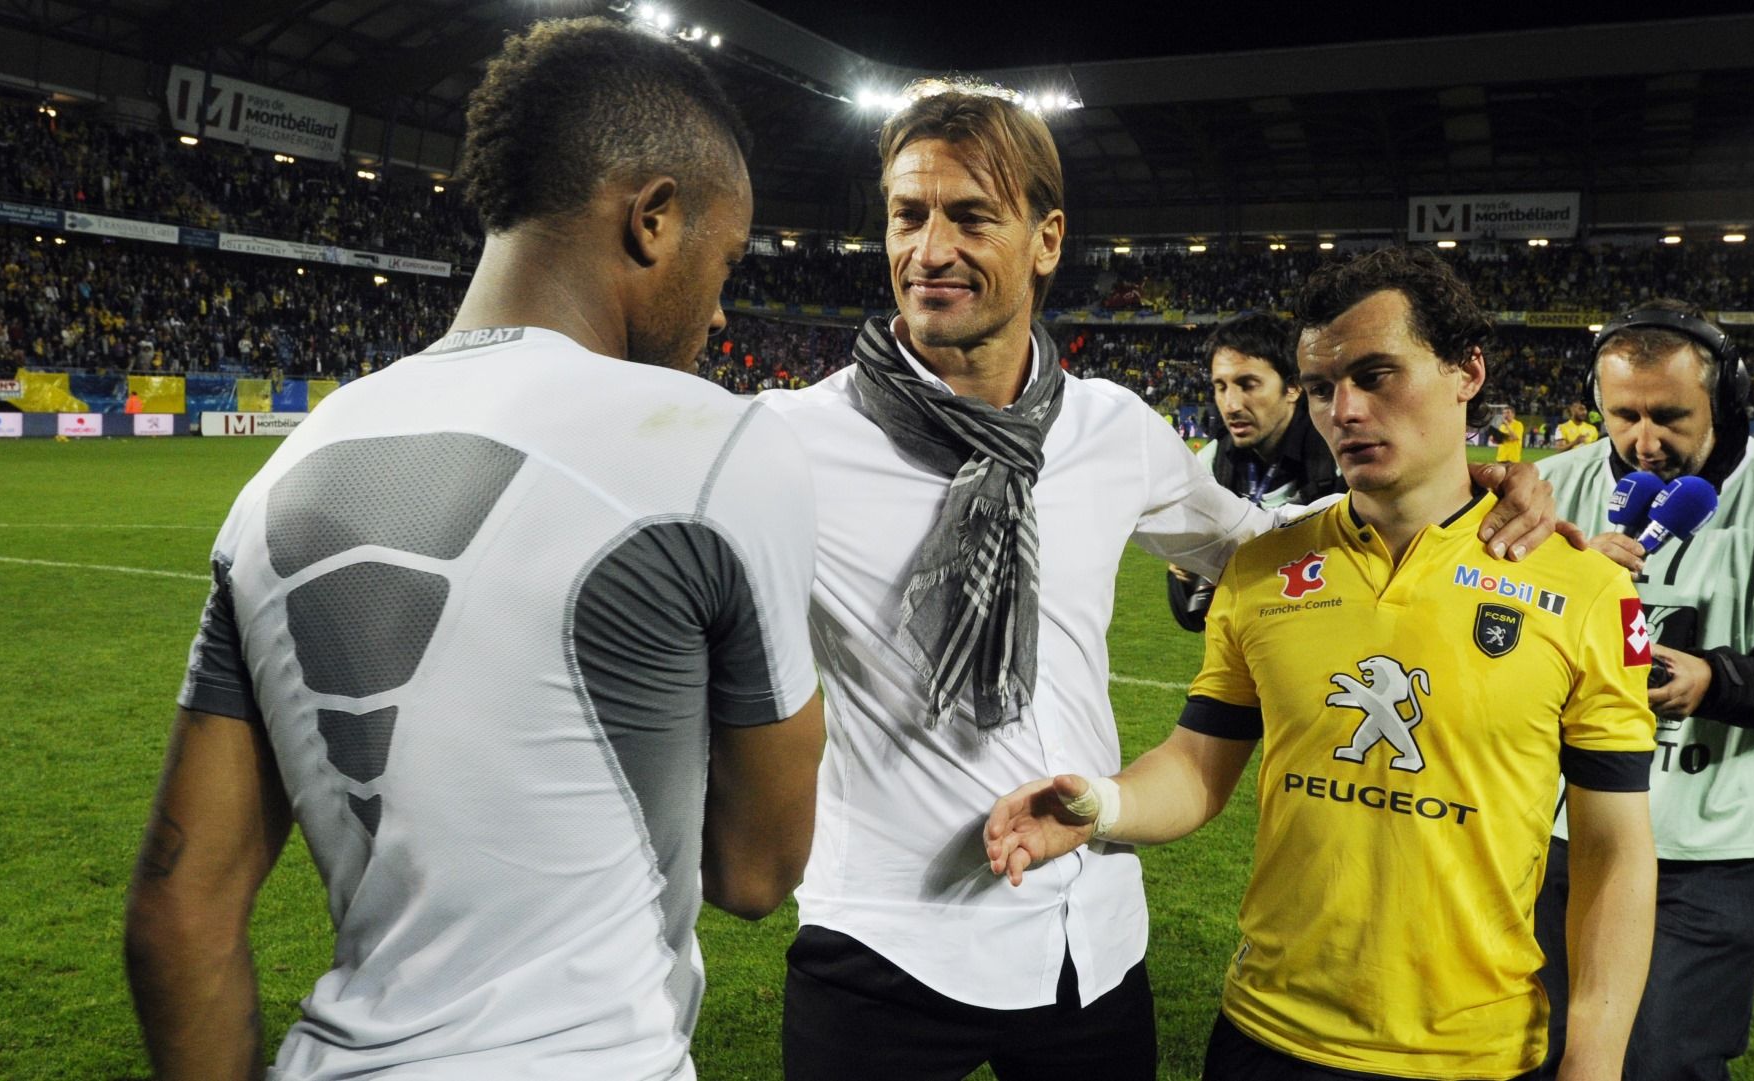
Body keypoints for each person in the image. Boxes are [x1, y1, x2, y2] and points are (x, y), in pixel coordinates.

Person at [760, 86, 1564, 1081]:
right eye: (907, 215)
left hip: (1084, 939)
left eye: (970, 216)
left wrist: (1457, 496)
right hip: (885, 935)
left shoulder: (1110, 428)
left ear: (1046, 238)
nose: (929, 250)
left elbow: (1262, 549)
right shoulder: (790, 443)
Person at [123, 19, 824, 1081]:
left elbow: (180, 912)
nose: (722, 309)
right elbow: (756, 870)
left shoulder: (281, 478)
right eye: (723, 261)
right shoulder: (716, 444)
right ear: (655, 218)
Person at [986, 247, 1658, 1081]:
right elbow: (1199, 765)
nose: (1344, 409)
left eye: (1378, 374)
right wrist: (1104, 807)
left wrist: (1594, 1061)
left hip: (1476, 1054)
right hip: (1268, 1036)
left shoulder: (1585, 588)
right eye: (1319, 386)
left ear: (1466, 370)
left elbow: (1614, 848)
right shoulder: (1266, 567)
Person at [1533, 299, 1754, 1081]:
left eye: (1669, 415)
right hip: (1558, 825)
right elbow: (1489, 638)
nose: (1644, 440)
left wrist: (1718, 679)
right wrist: (1561, 581)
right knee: (1542, 1048)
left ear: (1726, 402)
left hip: (1715, 843)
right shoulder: (1548, 490)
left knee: (1662, 1058)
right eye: (1623, 415)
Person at [1167, 311, 1340, 631]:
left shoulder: (1337, 456)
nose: (1231, 404)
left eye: (1248, 384)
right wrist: (1189, 566)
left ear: (1292, 388)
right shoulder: (1211, 465)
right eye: (1221, 387)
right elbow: (1192, 617)